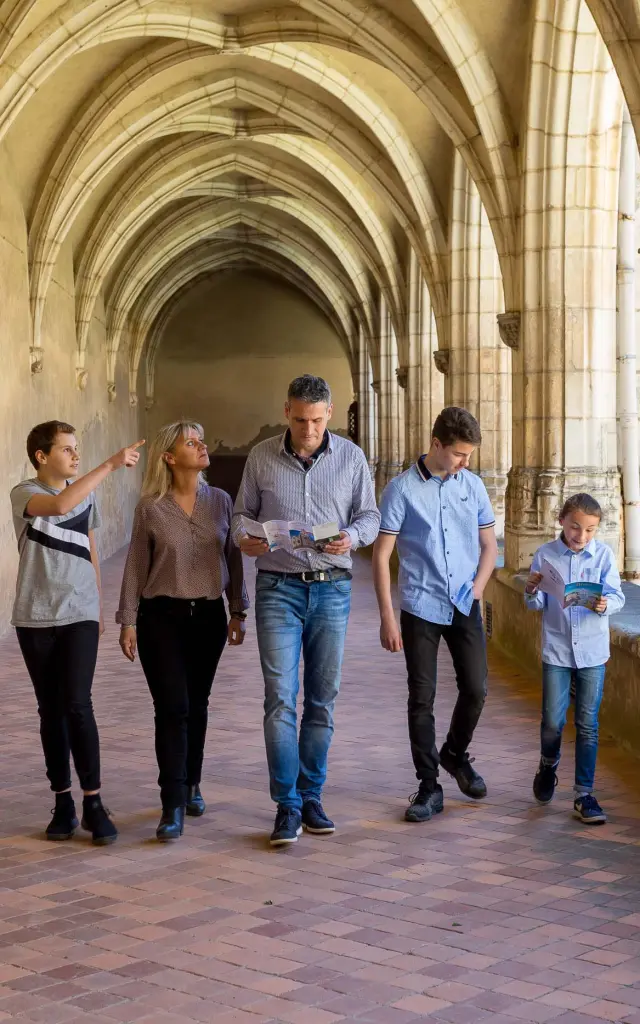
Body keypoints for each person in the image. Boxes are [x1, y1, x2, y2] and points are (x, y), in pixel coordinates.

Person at [232, 375, 380, 846]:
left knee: (321, 698)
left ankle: (312, 795)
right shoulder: (261, 457)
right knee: (280, 697)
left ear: (329, 414)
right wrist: (247, 539)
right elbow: (239, 515)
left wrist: (351, 538)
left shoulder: (352, 458)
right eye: (299, 420)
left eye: (316, 420)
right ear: (286, 412)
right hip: (277, 586)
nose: (308, 429)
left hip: (332, 587)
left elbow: (371, 516)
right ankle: (287, 806)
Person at [10, 420, 144, 844]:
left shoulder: (86, 490)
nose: (74, 455)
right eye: (66, 449)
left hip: (79, 613)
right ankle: (63, 801)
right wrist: (110, 464)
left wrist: (99, 604)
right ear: (41, 456)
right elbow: (61, 504)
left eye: (76, 449)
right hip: (34, 615)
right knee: (49, 710)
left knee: (77, 704)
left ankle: (93, 802)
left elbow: (89, 546)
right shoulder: (24, 493)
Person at [117, 421, 248, 842]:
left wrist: (238, 610)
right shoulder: (151, 507)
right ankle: (171, 802)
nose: (202, 445)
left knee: (197, 703)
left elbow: (235, 557)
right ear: (170, 458)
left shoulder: (222, 502)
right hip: (161, 619)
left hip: (208, 617)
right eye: (191, 442)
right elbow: (136, 564)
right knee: (171, 707)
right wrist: (128, 620)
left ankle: (192, 782)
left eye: (201, 439)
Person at [372, 407, 498, 823]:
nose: (465, 462)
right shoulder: (401, 490)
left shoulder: (473, 486)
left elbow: (489, 546)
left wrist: (477, 589)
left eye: (469, 456)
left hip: (465, 602)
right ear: (437, 444)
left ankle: (455, 754)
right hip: (420, 606)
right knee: (421, 699)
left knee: (476, 689)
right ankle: (428, 787)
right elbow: (382, 554)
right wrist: (388, 618)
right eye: (459, 454)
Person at [524, 493, 625, 824]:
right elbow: (535, 606)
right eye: (575, 528)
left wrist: (604, 604)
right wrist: (533, 589)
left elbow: (617, 596)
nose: (581, 536)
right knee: (553, 720)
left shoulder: (604, 556)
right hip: (557, 649)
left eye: (590, 530)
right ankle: (548, 763)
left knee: (588, 724)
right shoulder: (546, 555)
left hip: (593, 652)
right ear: (562, 522)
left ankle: (584, 793)